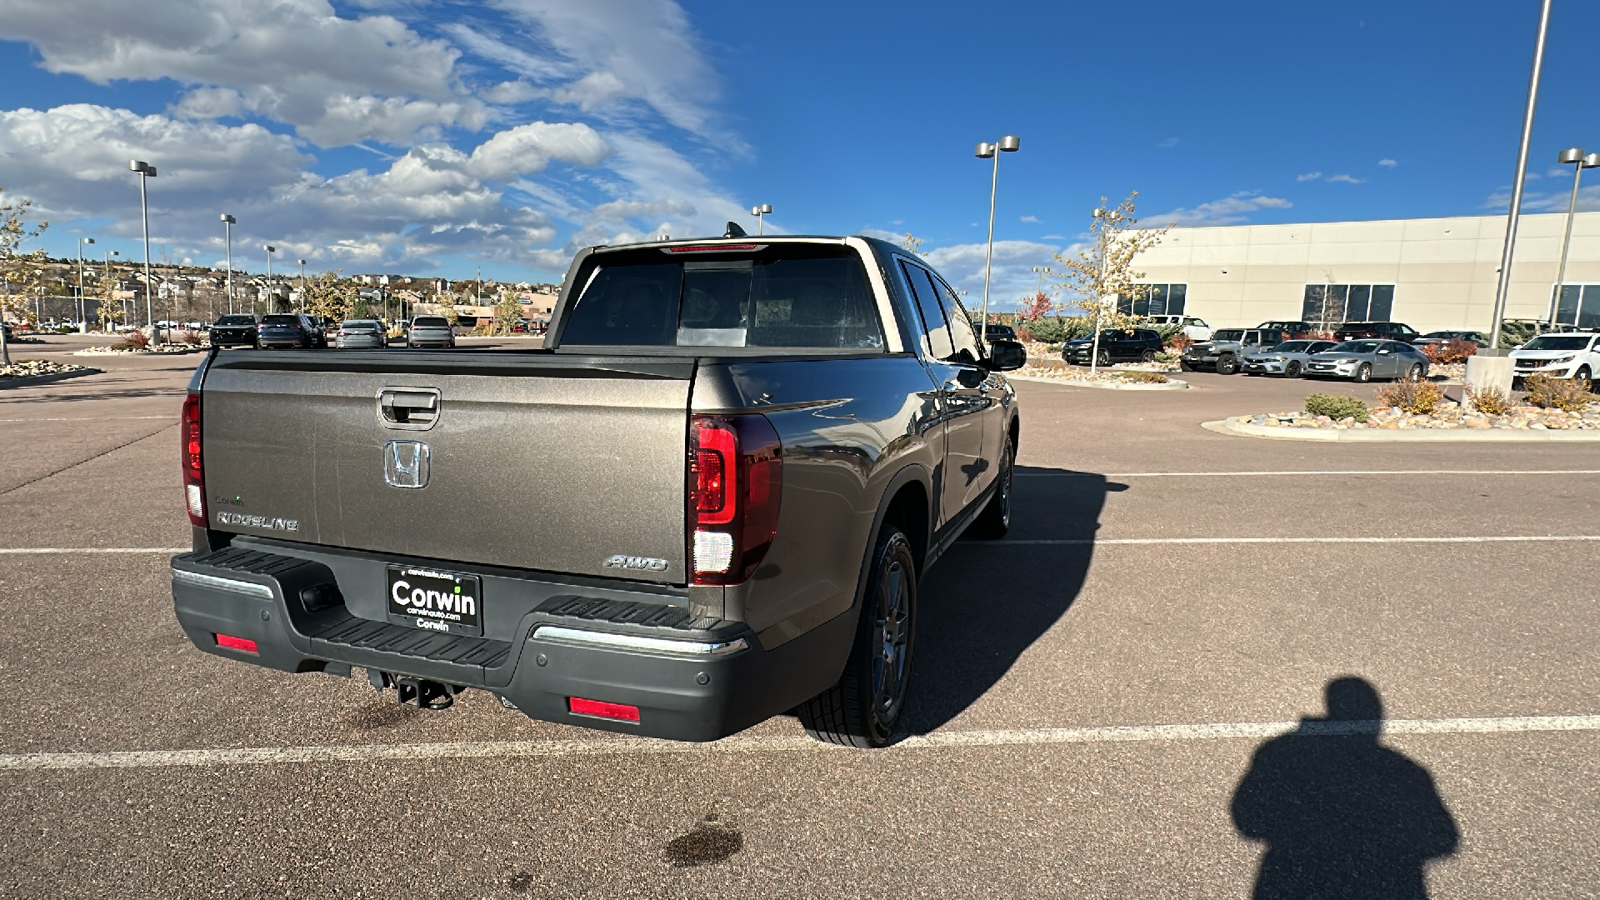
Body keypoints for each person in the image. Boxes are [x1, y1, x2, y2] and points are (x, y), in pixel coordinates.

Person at [1231, 677, 1459, 899]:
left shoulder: (1278, 753)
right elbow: (1443, 838)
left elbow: (1248, 818)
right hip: (1381, 885)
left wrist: (1301, 831)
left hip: (1293, 878)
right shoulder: (1403, 770)